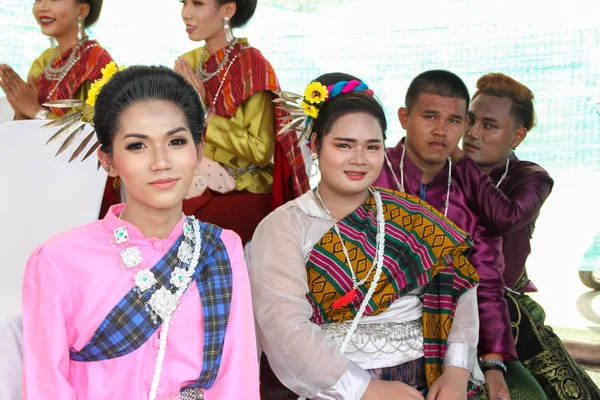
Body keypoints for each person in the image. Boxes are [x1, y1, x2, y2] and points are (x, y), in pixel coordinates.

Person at [22, 66, 259, 400]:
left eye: (176, 141)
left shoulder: (222, 248)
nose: (161, 162)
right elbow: (46, 385)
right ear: (108, 160)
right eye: (137, 146)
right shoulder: (59, 260)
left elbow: (237, 378)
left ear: (199, 150)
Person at [250, 73, 484, 400]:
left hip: (427, 379)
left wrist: (457, 370)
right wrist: (364, 390)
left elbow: (457, 285)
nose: (359, 159)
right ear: (315, 144)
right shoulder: (283, 228)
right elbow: (285, 328)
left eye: (372, 147)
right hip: (331, 386)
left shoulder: (411, 217)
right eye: (343, 145)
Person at [455, 72, 600, 399]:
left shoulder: (532, 178)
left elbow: (503, 218)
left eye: (489, 126)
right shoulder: (440, 172)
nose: (472, 133)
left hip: (504, 304)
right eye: (469, 120)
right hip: (445, 302)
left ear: (517, 137)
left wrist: (459, 163)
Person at [374, 70, 517, 400]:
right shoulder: (371, 169)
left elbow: (487, 279)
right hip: (369, 333)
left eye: (454, 120)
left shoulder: (469, 191)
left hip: (452, 336)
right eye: (430, 116)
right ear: (404, 118)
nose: (441, 130)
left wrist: (494, 365)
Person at [166, 0, 308, 244]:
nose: (186, 13)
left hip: (243, 193)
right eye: (184, 3)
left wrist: (204, 114)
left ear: (228, 10)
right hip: (196, 186)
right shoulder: (187, 64)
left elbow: (260, 151)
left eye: (198, 3)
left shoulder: (252, 67)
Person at [0, 0, 113, 120]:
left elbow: (95, 133)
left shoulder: (98, 64)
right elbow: (27, 129)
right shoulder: (44, 60)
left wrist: (35, 110)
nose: (41, 7)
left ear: (82, 10)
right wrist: (20, 108)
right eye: (38, 0)